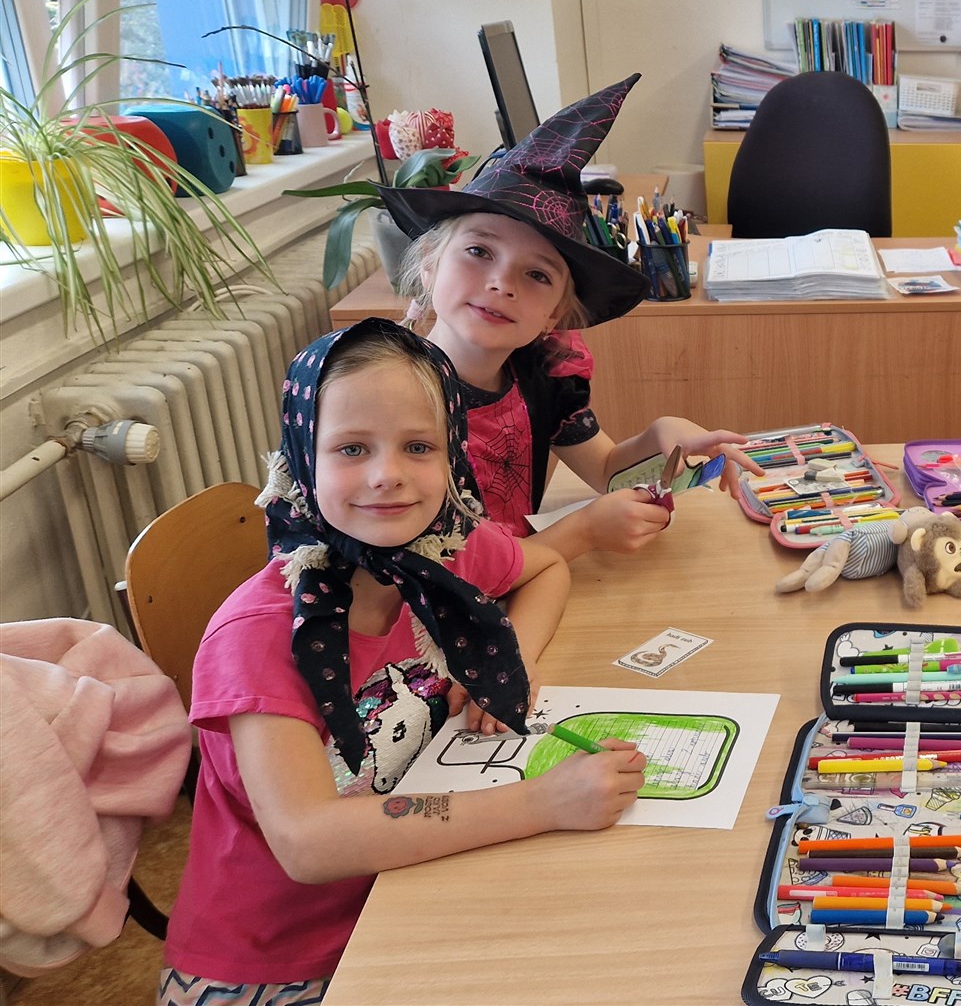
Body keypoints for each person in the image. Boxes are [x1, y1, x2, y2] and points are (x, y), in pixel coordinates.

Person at [159, 320, 648, 1002]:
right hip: (279, 963)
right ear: (302, 456)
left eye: (418, 446)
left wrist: (514, 659)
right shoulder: (261, 634)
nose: (387, 475)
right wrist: (542, 801)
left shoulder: (439, 551)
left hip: (415, 890)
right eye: (351, 448)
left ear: (453, 454)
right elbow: (309, 841)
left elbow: (546, 569)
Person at [383, 75, 760, 559]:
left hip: (528, 586)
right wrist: (580, 534)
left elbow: (604, 469)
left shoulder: (539, 375)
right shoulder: (388, 396)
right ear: (429, 263)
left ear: (555, 315)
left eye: (537, 275)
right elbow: (429, 567)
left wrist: (661, 436)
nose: (502, 283)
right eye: (479, 251)